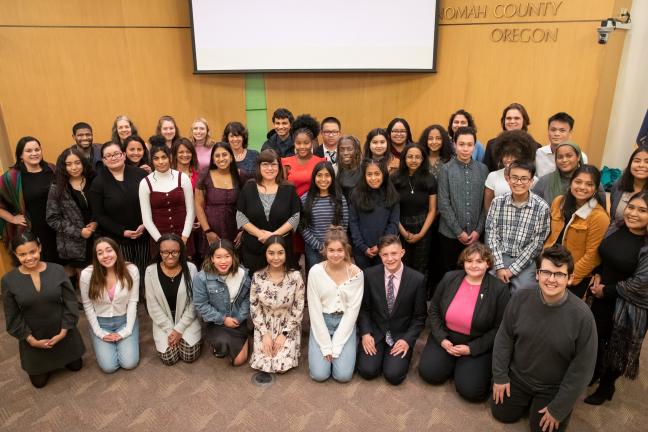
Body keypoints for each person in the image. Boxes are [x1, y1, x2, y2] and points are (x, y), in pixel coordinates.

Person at [491, 245, 597, 432]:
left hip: (553, 387)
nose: (551, 279)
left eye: (559, 274)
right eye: (546, 272)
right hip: (518, 375)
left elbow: (582, 368)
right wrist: (500, 376)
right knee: (502, 413)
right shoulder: (520, 297)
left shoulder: (583, 316)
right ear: (537, 274)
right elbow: (504, 338)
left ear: (570, 278)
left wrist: (559, 408)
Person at [419, 243, 509, 401]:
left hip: (475, 342)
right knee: (429, 374)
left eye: (479, 261)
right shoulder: (450, 278)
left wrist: (471, 349)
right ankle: (452, 364)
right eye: (469, 261)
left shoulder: (499, 289)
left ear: (488, 264)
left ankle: (461, 367)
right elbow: (433, 310)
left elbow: (499, 329)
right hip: (446, 337)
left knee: (471, 392)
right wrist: (442, 339)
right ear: (464, 263)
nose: (473, 265)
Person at [586, 191, 648, 404]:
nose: (633, 213)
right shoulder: (616, 226)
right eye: (631, 207)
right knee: (596, 338)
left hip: (628, 306)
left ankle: (606, 388)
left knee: (617, 348)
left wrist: (606, 290)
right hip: (601, 296)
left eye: (642, 210)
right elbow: (603, 255)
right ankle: (593, 373)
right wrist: (598, 274)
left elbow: (640, 284)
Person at [1, 232, 85, 388]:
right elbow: (12, 316)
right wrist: (30, 340)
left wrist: (64, 330)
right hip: (34, 337)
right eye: (22, 254)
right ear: (15, 255)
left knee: (76, 367)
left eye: (32, 251)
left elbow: (71, 302)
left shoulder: (58, 270)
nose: (29, 258)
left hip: (62, 330)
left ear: (39, 248)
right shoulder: (8, 281)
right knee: (39, 384)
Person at [357, 235, 427, 385]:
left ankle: (392, 359)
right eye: (385, 254)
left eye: (394, 253)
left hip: (400, 334)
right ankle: (379, 356)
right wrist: (365, 333)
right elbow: (364, 308)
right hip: (376, 331)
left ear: (402, 252)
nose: (390, 259)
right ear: (380, 255)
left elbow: (419, 317)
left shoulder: (417, 280)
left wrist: (407, 340)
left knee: (393, 375)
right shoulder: (369, 275)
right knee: (367, 371)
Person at [544, 165, 609, 298]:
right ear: (571, 183)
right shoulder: (558, 202)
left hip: (573, 276)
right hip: (548, 266)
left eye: (589, 184)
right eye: (578, 182)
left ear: (596, 189)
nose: (582, 187)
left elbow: (593, 256)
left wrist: (566, 277)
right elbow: (549, 236)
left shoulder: (599, 217)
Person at [307, 227, 363, 383]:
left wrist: (336, 347)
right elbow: (314, 310)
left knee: (343, 376)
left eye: (340, 250)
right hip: (322, 321)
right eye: (331, 250)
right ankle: (320, 348)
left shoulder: (356, 273)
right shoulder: (315, 272)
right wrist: (326, 346)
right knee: (320, 375)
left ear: (346, 250)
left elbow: (353, 311)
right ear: (325, 250)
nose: (335, 254)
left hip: (344, 322)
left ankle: (350, 343)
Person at [485, 161, 550, 293]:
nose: (518, 182)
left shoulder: (542, 207)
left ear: (531, 181)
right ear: (508, 179)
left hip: (525, 260)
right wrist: (499, 266)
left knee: (523, 292)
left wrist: (512, 270)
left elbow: (536, 244)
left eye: (524, 178)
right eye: (514, 177)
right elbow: (491, 235)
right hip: (499, 256)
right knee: (491, 290)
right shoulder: (497, 202)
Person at [89, 142, 148, 281]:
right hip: (117, 238)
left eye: (116, 154)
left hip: (144, 233)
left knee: (145, 269)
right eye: (108, 156)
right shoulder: (98, 182)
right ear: (103, 160)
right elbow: (99, 215)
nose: (113, 157)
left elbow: (151, 202)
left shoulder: (140, 174)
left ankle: (146, 297)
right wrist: (122, 231)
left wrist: (146, 224)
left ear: (124, 155)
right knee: (125, 273)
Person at [80, 237, 140, 373]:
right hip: (101, 323)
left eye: (109, 250)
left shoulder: (131, 270)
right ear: (96, 257)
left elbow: (133, 302)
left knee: (129, 363)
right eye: (100, 253)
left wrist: (127, 330)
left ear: (117, 251)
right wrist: (99, 332)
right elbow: (88, 305)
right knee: (109, 367)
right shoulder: (87, 274)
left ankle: (126, 342)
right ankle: (112, 344)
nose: (105, 256)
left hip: (124, 320)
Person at [236, 150, 300, 274]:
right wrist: (260, 234)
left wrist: (273, 236)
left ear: (279, 167)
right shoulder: (249, 187)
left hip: (281, 249)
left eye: (273, 164)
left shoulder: (289, 188)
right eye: (265, 164)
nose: (269, 168)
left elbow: (295, 217)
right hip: (253, 248)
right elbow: (240, 215)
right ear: (258, 166)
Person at [250, 235, 305, 373]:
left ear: (287, 253)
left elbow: (298, 308)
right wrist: (264, 334)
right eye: (271, 253)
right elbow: (255, 308)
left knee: (281, 365)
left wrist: (284, 334)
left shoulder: (295, 277)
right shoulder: (257, 276)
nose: (276, 258)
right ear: (265, 254)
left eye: (280, 253)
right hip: (265, 325)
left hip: (287, 325)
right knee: (264, 363)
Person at [0, 136, 60, 263]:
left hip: (57, 228)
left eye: (37, 149)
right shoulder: (12, 177)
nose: (34, 153)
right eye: (29, 151)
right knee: (41, 266)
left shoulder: (51, 168)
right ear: (20, 155)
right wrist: (12, 218)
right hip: (33, 230)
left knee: (63, 266)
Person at [437, 126, 489, 272]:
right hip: (449, 234)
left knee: (473, 272)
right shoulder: (445, 169)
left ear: (475, 146)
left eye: (469, 144)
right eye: (461, 144)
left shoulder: (483, 169)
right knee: (451, 273)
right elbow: (443, 204)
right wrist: (459, 232)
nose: (465, 149)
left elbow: (485, 205)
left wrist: (478, 231)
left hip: (475, 234)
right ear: (454, 145)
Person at [145, 234, 201, 365]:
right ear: (159, 252)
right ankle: (172, 335)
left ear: (181, 251)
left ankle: (195, 337)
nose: (170, 256)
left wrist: (179, 329)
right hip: (163, 319)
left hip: (186, 318)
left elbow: (194, 302)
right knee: (170, 359)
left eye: (174, 252)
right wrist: (171, 331)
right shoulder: (150, 271)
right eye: (165, 252)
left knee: (189, 356)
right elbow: (152, 305)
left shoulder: (191, 268)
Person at [193, 239, 250, 366]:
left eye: (227, 256)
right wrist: (223, 319)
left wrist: (240, 318)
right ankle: (220, 345)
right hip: (215, 321)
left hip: (237, 320)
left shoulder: (242, 273)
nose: (223, 261)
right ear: (212, 258)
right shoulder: (201, 277)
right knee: (222, 343)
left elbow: (247, 298)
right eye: (218, 257)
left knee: (239, 361)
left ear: (233, 257)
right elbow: (201, 305)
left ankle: (244, 337)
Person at [391, 144, 437, 283]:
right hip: (400, 225)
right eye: (410, 156)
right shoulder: (395, 178)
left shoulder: (430, 179)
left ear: (423, 159)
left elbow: (432, 210)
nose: (414, 160)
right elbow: (392, 209)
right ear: (404, 158)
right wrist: (403, 232)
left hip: (423, 226)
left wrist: (421, 234)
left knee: (421, 267)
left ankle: (420, 301)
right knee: (401, 265)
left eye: (418, 157)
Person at [46, 147, 97, 271]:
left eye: (77, 163)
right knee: (85, 279)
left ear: (83, 163)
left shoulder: (94, 180)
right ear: (63, 167)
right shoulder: (57, 187)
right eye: (68, 164)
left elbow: (103, 207)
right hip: (75, 243)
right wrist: (79, 231)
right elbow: (52, 218)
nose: (74, 167)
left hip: (98, 236)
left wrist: (96, 222)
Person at [139, 145, 195, 257]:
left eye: (164, 157)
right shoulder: (145, 183)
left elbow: (191, 211)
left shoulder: (182, 178)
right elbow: (146, 219)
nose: (161, 162)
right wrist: (161, 242)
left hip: (184, 235)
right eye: (156, 158)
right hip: (158, 237)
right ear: (152, 160)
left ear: (170, 157)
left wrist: (184, 237)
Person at [348, 159, 400, 269]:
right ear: (364, 176)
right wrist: (363, 247)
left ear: (384, 175)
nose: (373, 178)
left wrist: (380, 246)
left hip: (385, 249)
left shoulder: (392, 194)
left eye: (377, 174)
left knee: (381, 281)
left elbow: (393, 224)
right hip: (361, 250)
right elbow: (353, 223)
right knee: (365, 280)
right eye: (369, 174)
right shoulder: (355, 194)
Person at [300, 161, 349, 270]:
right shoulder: (305, 199)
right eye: (319, 175)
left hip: (336, 248)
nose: (323, 179)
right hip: (313, 249)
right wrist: (319, 246)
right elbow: (303, 227)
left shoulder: (339, 198)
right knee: (317, 278)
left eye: (327, 175)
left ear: (332, 178)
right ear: (314, 177)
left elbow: (344, 224)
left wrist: (332, 246)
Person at [195, 142, 242, 250]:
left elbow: (247, 206)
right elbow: (198, 205)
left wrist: (243, 230)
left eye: (224, 155)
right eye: (217, 155)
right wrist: (207, 232)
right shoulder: (205, 175)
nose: (221, 158)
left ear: (231, 157)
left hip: (235, 231)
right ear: (213, 159)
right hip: (212, 231)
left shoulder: (240, 175)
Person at [533, 141, 605, 205]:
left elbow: (601, 209)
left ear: (578, 157)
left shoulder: (591, 182)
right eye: (560, 157)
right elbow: (534, 206)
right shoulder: (545, 181)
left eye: (569, 156)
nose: (564, 160)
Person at [483, 130, 538, 210]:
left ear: (524, 156)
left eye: (514, 156)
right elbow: (488, 208)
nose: (508, 159)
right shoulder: (493, 176)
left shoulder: (532, 180)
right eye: (505, 155)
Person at [483, 103, 540, 172]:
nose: (512, 121)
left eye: (517, 118)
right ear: (504, 121)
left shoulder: (536, 147)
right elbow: (487, 172)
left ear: (524, 121)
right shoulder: (491, 144)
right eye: (509, 118)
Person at [281, 114, 326, 197]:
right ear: (293, 143)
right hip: (293, 206)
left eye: (306, 143)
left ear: (312, 142)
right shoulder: (285, 163)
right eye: (298, 143)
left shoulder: (321, 162)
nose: (302, 147)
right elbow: (282, 189)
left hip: (314, 205)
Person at [535, 112, 589, 178]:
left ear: (570, 133)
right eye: (553, 130)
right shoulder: (539, 153)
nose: (557, 134)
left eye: (562, 130)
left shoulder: (580, 156)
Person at [609, 146, 648, 224]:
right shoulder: (619, 184)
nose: (641, 165)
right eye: (637, 161)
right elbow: (612, 217)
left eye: (647, 162)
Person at [336, 135, 362, 201]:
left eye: (349, 149)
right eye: (342, 149)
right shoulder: (335, 169)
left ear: (357, 150)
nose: (345, 153)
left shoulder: (365, 168)